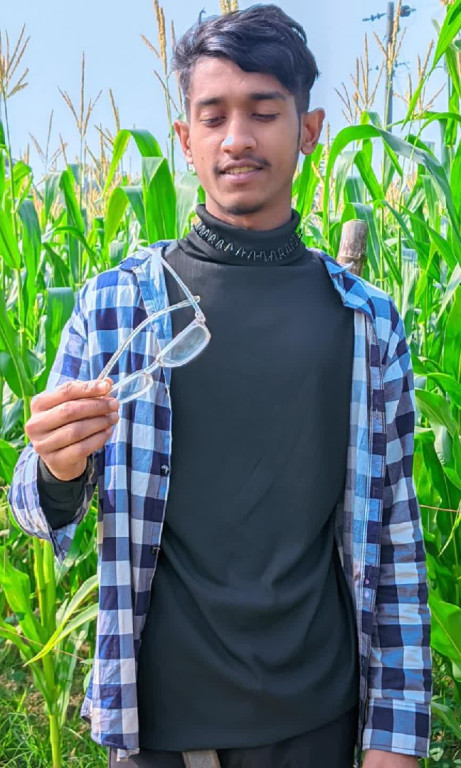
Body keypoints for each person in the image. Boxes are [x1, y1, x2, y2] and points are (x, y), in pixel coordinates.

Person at [9, 5, 432, 768]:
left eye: (264, 112)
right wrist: (56, 466)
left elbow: (396, 535)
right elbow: (36, 513)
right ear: (185, 138)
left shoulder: (365, 322)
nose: (237, 138)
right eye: (213, 117)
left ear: (308, 130)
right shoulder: (119, 305)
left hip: (319, 718)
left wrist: (395, 740)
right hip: (159, 728)